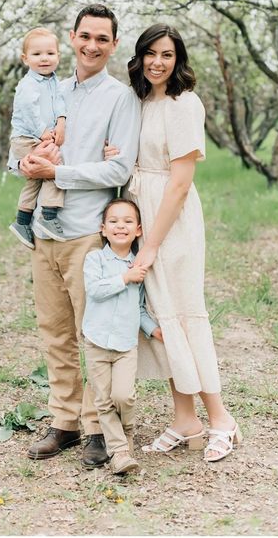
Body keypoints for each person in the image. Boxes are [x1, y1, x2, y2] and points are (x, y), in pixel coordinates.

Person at [16, 5, 141, 468]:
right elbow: (29, 140)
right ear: (71, 37)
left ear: (113, 44)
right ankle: (64, 421)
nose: (91, 45)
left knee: (95, 335)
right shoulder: (49, 87)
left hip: (88, 233)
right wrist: (27, 164)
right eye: (84, 36)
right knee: (54, 332)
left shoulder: (120, 98)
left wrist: (59, 172)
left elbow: (118, 167)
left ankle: (97, 427)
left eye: (101, 39)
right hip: (46, 233)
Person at [111, 23, 241, 462]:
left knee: (184, 315)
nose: (158, 62)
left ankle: (220, 418)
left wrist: (150, 246)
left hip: (172, 218)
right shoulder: (142, 100)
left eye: (167, 54)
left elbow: (181, 183)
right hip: (142, 212)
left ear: (178, 58)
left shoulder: (185, 104)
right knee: (161, 318)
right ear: (139, 56)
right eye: (150, 53)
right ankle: (185, 419)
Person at [82, 198, 162, 474]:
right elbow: (95, 290)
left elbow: (138, 308)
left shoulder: (138, 266)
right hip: (96, 342)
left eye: (127, 221)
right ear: (103, 229)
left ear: (138, 230)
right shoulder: (95, 260)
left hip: (126, 345)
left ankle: (126, 431)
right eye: (113, 221)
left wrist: (153, 329)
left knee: (124, 396)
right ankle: (119, 451)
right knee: (103, 401)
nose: (120, 226)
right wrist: (124, 279)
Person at [8, 27, 67, 248]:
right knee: (54, 170)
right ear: (25, 59)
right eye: (37, 54)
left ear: (58, 56)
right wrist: (43, 132)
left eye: (50, 53)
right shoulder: (28, 84)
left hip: (37, 137)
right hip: (26, 137)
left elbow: (60, 102)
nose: (44, 59)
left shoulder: (53, 81)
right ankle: (48, 217)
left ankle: (22, 222)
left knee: (35, 178)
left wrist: (61, 120)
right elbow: (28, 110)